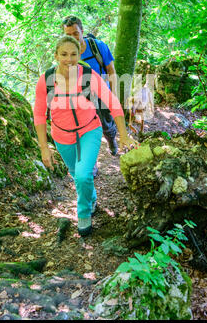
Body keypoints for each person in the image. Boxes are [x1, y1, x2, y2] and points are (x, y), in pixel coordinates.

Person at [34, 35, 137, 237]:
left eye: (73, 54)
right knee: (77, 174)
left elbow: (113, 103)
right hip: (61, 136)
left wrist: (123, 135)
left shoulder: (89, 75)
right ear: (56, 55)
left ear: (79, 54)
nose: (68, 59)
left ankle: (83, 214)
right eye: (63, 54)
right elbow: (38, 114)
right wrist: (44, 148)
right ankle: (91, 198)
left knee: (82, 174)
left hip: (90, 129)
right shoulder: (46, 80)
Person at [62, 16, 119, 165]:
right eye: (68, 35)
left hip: (102, 95)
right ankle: (90, 164)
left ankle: (111, 140)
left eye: (75, 33)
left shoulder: (98, 47)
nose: (72, 38)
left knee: (107, 125)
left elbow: (111, 71)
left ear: (82, 31)